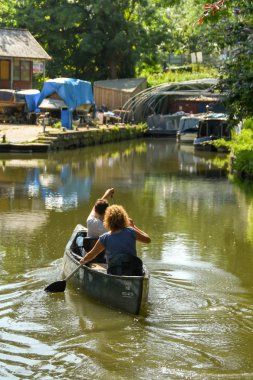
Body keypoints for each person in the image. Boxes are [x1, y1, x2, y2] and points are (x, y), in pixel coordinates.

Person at [80, 204, 151, 275]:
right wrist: (133, 226)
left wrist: (83, 260)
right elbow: (148, 240)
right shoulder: (131, 231)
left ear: (107, 220)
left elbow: (92, 254)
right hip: (132, 270)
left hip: (114, 272)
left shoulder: (104, 238)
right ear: (124, 218)